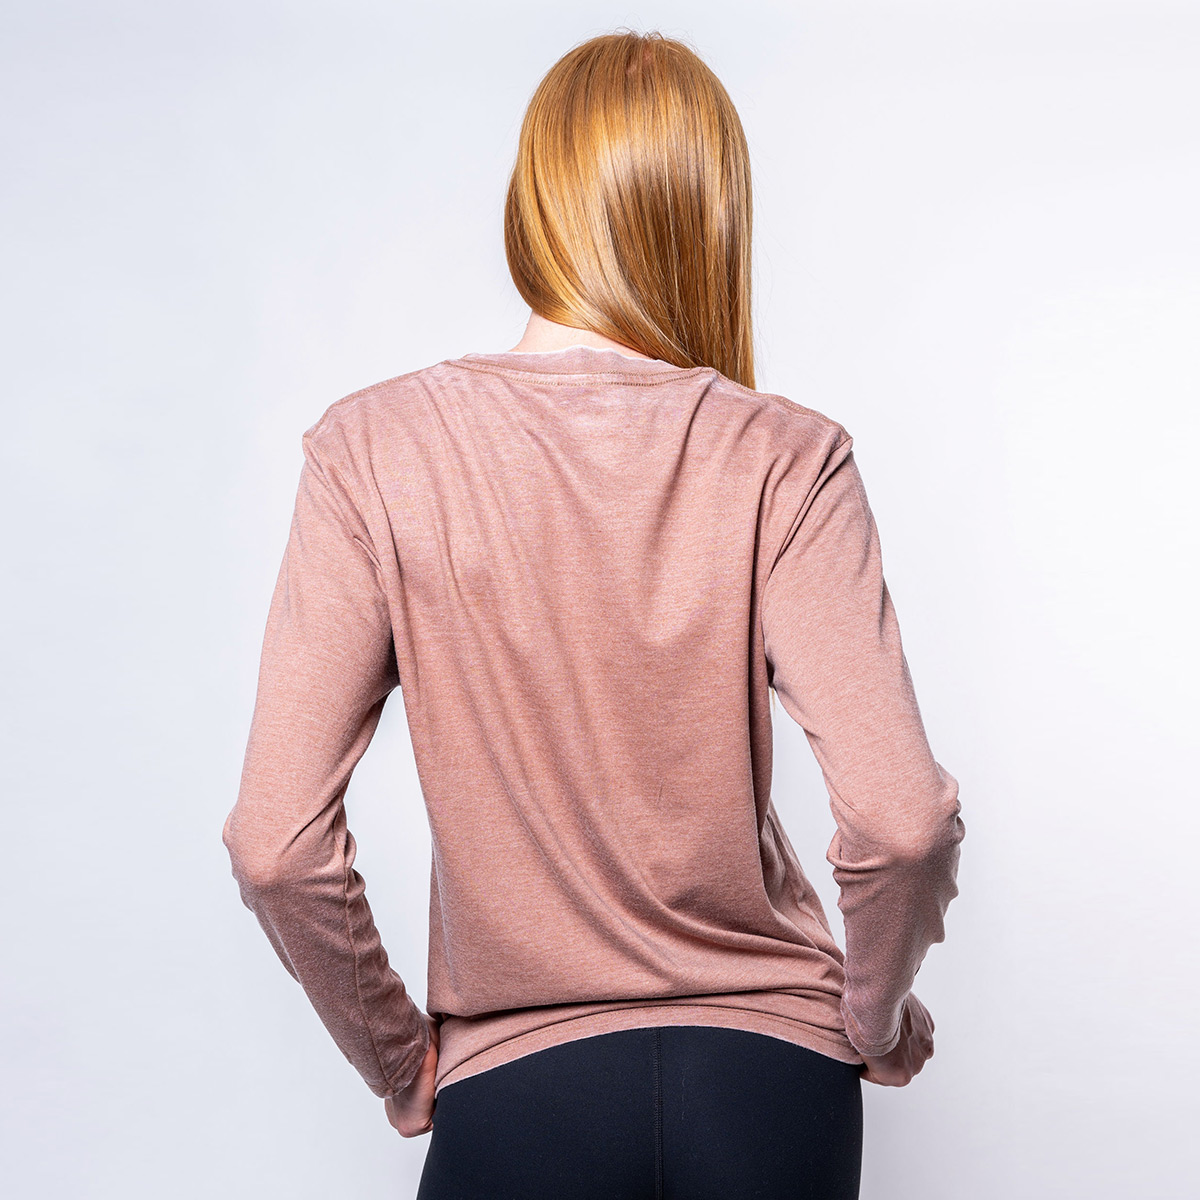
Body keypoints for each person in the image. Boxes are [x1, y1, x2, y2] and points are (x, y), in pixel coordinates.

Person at [222, 27, 965, 1200]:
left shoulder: (373, 453)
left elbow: (277, 848)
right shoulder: (787, 456)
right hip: (774, 1089)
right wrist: (872, 1016)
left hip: (521, 1093)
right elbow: (906, 825)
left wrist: (401, 1063)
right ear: (711, 218)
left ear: (534, 204)